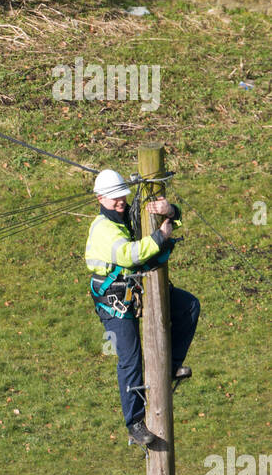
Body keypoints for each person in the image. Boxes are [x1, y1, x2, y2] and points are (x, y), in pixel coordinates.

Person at [85, 168, 200, 448]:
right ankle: (135, 422)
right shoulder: (103, 229)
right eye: (114, 198)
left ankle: (170, 365)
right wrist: (160, 237)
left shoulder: (128, 216)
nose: (120, 201)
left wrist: (169, 210)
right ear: (100, 199)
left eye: (122, 195)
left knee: (188, 307)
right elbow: (130, 255)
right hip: (114, 300)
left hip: (137, 289)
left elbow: (167, 222)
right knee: (130, 356)